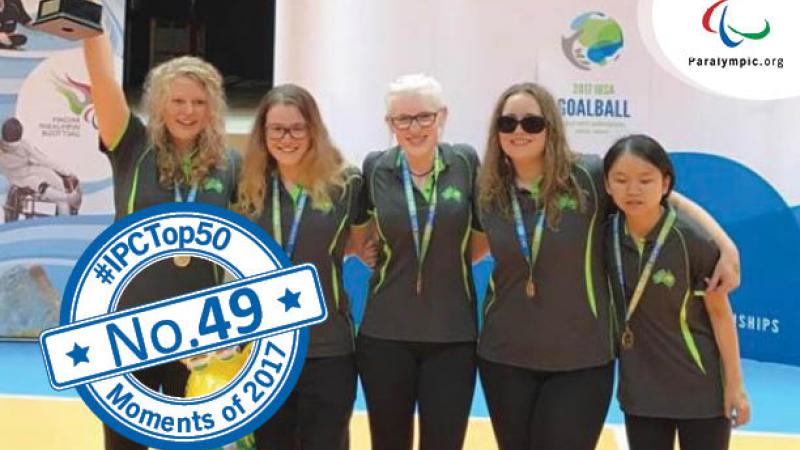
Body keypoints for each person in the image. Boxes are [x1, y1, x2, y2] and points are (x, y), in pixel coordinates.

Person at [475, 82, 742, 450]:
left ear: (550, 126)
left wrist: (727, 248)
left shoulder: (586, 176)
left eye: (532, 123)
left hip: (581, 360)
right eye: (508, 123)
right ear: (497, 131)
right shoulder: (487, 188)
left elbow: (663, 198)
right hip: (504, 356)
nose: (519, 131)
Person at [82, 32, 239, 450]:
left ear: (213, 108)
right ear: (159, 103)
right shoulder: (131, 144)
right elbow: (101, 79)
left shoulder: (230, 163)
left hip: (199, 332)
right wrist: (91, 29)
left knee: (190, 444)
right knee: (124, 444)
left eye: (200, 102)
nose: (188, 111)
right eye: (178, 100)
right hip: (126, 328)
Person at [237, 83, 371, 450]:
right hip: (264, 352)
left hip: (327, 348)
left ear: (313, 129)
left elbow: (363, 244)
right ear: (263, 134)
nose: (287, 138)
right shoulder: (247, 187)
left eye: (297, 127)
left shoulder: (347, 184)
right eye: (276, 129)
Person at [356, 73, 484, 450]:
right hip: (384, 337)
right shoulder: (375, 167)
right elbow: (361, 238)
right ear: (389, 124)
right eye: (402, 119)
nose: (414, 128)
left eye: (424, 117)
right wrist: (369, 251)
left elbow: (478, 242)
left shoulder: (466, 162)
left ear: (442, 116)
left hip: (452, 336)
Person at [603, 134, 750, 450]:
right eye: (621, 179)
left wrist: (735, 386)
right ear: (606, 184)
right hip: (641, 392)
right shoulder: (604, 235)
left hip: (700, 390)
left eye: (645, 180)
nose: (633, 190)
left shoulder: (693, 240)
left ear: (666, 183)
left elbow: (720, 313)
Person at [1, 117, 81, 216]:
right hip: (23, 176)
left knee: (51, 179)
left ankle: (64, 201)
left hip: (26, 172)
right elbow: (44, 160)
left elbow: (43, 161)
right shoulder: (24, 145)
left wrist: (65, 171)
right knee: (41, 181)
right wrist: (66, 171)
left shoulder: (11, 146)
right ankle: (66, 200)